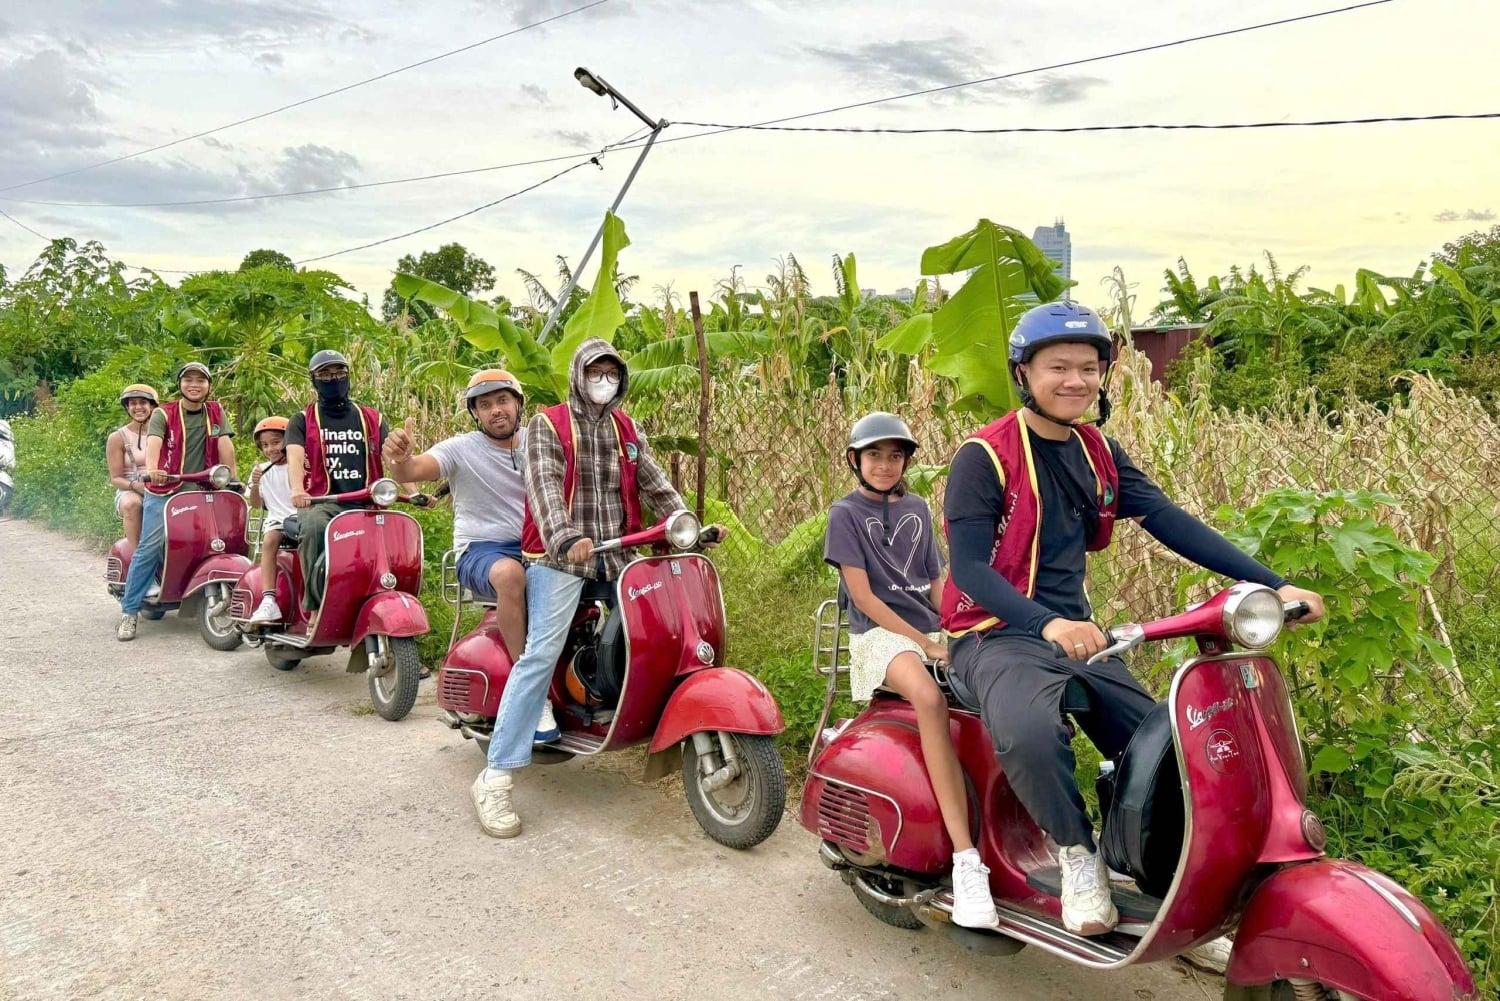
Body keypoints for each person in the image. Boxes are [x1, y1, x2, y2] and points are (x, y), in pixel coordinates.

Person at [941, 301, 1325, 936]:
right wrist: (1044, 624)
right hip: (994, 635)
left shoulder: (1098, 452)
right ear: (1023, 374)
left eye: (1089, 369)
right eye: (1057, 367)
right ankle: (1077, 854)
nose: (1075, 381)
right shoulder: (984, 457)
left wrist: (1270, 581)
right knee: (1031, 735)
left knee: (1171, 743)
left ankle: (1174, 883)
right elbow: (971, 571)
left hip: (1078, 636)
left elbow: (1169, 521)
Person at [469, 338, 726, 839]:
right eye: (595, 371)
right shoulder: (548, 425)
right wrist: (565, 537)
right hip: (562, 559)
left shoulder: (626, 428)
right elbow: (544, 489)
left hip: (621, 556)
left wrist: (689, 523)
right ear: (579, 374)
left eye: (612, 372)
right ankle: (495, 776)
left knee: (663, 628)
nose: (604, 380)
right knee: (540, 655)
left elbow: (657, 487)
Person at [824, 411, 999, 930]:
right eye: (874, 455)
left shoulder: (919, 508)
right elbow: (862, 597)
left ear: (906, 461)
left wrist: (965, 625)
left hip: (930, 633)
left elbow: (937, 584)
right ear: (855, 460)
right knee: (929, 698)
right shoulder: (845, 514)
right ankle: (967, 861)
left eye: (894, 455)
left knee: (1004, 685)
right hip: (878, 638)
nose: (884, 464)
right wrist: (923, 641)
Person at [382, 369, 529, 663]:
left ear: (519, 404)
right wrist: (400, 458)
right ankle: (527, 680)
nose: (496, 410)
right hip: (481, 551)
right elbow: (412, 471)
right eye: (485, 405)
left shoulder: (541, 441)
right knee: (510, 574)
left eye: (503, 400)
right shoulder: (461, 448)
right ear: (475, 413)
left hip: (536, 548)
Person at [117, 362, 237, 641]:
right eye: (188, 380)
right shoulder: (164, 413)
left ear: (208, 386)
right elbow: (155, 443)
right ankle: (130, 612)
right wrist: (154, 470)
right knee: (149, 545)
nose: (194, 385)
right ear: (180, 384)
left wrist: (232, 476)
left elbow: (225, 444)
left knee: (219, 538)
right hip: (166, 490)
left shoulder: (216, 412)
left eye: (201, 380)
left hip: (204, 488)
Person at [282, 349, 391, 613]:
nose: (334, 379)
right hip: (323, 502)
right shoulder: (301, 420)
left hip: (367, 503)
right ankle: (314, 604)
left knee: (397, 539)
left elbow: (394, 459)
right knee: (314, 527)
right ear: (314, 380)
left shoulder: (372, 419)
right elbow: (295, 458)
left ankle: (386, 591)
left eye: (340, 373)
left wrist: (414, 491)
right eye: (325, 374)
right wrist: (298, 489)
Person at [246, 417, 295, 625]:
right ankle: (268, 599)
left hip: (303, 518)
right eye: (265, 445)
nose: (270, 449)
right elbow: (256, 504)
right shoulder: (262, 470)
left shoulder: (300, 465)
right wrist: (256, 484)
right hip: (278, 521)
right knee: (269, 541)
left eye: (276, 442)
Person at [107, 384, 159, 550]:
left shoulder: (164, 432)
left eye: (143, 402)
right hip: (131, 488)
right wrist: (135, 486)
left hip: (160, 485)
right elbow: (115, 478)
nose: (138, 407)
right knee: (132, 504)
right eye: (132, 403)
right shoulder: (118, 437)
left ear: (152, 406)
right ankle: (139, 556)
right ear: (127, 408)